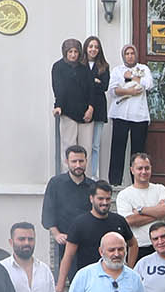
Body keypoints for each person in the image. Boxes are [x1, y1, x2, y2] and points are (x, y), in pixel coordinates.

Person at [60, 180, 135, 284]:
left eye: (108, 199)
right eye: (100, 199)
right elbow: (68, 256)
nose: (104, 202)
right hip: (89, 281)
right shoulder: (79, 223)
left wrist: (130, 269)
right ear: (91, 198)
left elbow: (133, 244)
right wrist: (60, 283)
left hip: (116, 280)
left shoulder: (119, 221)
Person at [41, 146, 99, 255]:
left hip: (88, 243)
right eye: (74, 161)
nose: (78, 165)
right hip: (64, 243)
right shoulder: (55, 183)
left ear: (86, 161)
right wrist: (57, 234)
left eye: (81, 161)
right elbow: (48, 212)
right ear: (66, 161)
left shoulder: (93, 186)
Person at [115, 152, 165, 257]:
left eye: (147, 168)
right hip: (137, 247)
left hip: (161, 246)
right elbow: (129, 221)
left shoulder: (160, 189)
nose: (144, 171)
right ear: (132, 170)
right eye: (140, 168)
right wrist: (158, 212)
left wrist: (141, 210)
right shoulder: (124, 195)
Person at [107, 42, 149, 186]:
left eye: (132, 53)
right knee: (117, 149)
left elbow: (146, 84)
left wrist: (128, 79)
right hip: (120, 115)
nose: (130, 56)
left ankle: (138, 182)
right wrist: (129, 90)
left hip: (139, 116)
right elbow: (113, 90)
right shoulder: (117, 70)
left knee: (138, 152)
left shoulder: (143, 68)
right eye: (127, 54)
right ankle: (115, 182)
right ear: (123, 56)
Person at [51, 36, 96, 166]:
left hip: (86, 114)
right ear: (65, 52)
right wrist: (58, 106)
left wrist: (91, 108)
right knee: (68, 147)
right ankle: (68, 180)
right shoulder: (58, 67)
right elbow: (58, 88)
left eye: (76, 52)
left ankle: (85, 181)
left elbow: (91, 89)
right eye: (70, 52)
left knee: (85, 149)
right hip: (68, 112)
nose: (73, 55)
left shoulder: (84, 68)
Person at [82, 35, 112, 179]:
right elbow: (80, 86)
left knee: (95, 145)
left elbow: (104, 86)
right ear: (86, 48)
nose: (93, 49)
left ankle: (93, 174)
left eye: (96, 47)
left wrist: (92, 83)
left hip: (99, 108)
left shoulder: (104, 66)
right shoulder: (80, 65)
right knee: (84, 143)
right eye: (90, 46)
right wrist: (94, 81)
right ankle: (84, 173)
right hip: (84, 107)